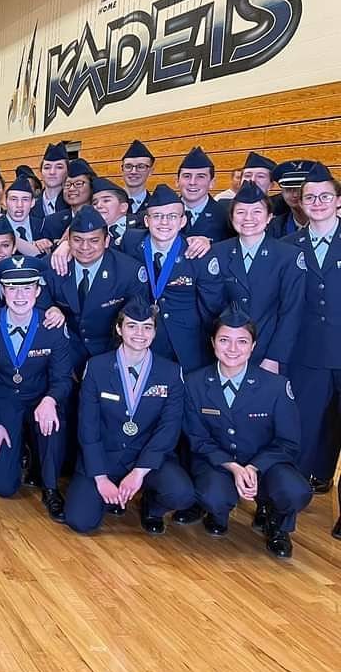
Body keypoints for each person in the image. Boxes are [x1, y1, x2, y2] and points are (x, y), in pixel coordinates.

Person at [181, 308, 311, 558]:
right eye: (224, 340)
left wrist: (253, 468)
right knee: (213, 496)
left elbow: (288, 443)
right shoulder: (194, 384)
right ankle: (217, 514)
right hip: (218, 463)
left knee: (296, 491)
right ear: (212, 343)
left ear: (253, 346)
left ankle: (278, 524)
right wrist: (233, 467)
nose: (232, 349)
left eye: (242, 341)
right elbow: (198, 440)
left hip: (266, 464)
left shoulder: (276, 386)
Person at [65, 298, 194, 534]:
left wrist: (139, 472)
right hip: (104, 458)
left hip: (146, 459)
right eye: (132, 326)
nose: (140, 333)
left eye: (147, 327)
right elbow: (88, 427)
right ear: (118, 329)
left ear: (155, 332)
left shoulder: (171, 372)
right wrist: (101, 478)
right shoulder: (96, 367)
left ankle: (151, 507)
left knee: (182, 494)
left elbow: (169, 428)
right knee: (80, 521)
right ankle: (109, 497)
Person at [0, 256, 74, 521]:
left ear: (38, 291)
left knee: (53, 419)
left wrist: (51, 399)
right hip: (4, 402)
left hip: (39, 400)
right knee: (4, 488)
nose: (19, 295)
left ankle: (50, 488)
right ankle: (20, 452)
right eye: (12, 288)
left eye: (27, 288)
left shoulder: (52, 326)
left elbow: (62, 379)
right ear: (2, 290)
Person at [118, 185, 226, 371]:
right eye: (157, 216)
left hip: (187, 344)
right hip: (140, 340)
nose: (164, 222)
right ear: (146, 220)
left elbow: (212, 307)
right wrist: (64, 244)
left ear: (183, 221)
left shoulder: (197, 253)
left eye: (172, 216)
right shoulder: (130, 242)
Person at [283, 162, 341, 496]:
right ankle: (295, 489)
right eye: (310, 197)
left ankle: (327, 476)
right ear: (301, 203)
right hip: (305, 352)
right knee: (304, 422)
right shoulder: (289, 246)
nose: (317, 202)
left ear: (337, 201)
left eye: (324, 196)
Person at [207, 183, 305, 372]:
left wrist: (274, 358)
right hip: (226, 353)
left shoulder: (288, 256)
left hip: (269, 352)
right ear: (232, 216)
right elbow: (210, 307)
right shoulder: (216, 253)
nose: (248, 218)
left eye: (257, 212)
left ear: (269, 217)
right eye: (241, 212)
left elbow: (292, 312)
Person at [42, 207, 148, 369]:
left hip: (112, 353)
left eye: (94, 240)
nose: (85, 247)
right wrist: (50, 309)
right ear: (68, 241)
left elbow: (137, 317)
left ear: (106, 241)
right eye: (77, 240)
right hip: (64, 351)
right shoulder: (51, 267)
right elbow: (39, 303)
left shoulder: (128, 271)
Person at [177, 147, 230, 241]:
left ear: (212, 183)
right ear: (177, 181)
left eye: (200, 176)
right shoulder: (161, 213)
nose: (192, 182)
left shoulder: (225, 217)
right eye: (187, 176)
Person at [2, 175, 48, 256]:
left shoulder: (43, 226)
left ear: (33, 202)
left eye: (25, 199)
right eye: (14, 199)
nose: (19, 205)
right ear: (5, 202)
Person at [90, 177, 135, 245]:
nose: (98, 206)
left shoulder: (142, 225)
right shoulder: (91, 235)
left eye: (106, 201)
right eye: (94, 203)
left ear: (123, 207)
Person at [120, 140, 154, 216]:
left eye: (141, 167)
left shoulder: (156, 205)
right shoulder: (110, 204)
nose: (133, 171)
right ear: (122, 169)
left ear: (151, 171)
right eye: (128, 166)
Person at [37, 142, 70, 218]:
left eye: (59, 167)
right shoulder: (30, 205)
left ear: (68, 172)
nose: (52, 172)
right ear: (41, 172)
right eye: (47, 167)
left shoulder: (73, 204)